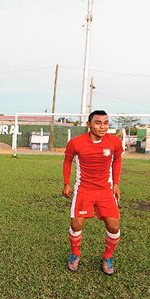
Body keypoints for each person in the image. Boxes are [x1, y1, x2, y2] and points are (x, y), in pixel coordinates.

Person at [62, 110, 123, 275]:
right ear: (89, 125)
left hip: (105, 190)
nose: (102, 127)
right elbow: (67, 161)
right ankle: (75, 254)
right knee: (76, 224)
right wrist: (67, 183)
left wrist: (116, 184)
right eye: (98, 122)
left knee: (114, 226)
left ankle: (107, 257)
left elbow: (117, 160)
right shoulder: (76, 143)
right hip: (84, 189)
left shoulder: (115, 142)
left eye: (106, 123)